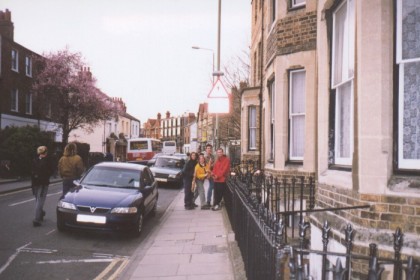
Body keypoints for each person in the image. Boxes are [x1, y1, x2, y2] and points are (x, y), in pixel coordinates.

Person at [31, 146, 53, 227]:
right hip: (43, 183)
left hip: (35, 183)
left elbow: (32, 171)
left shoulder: (35, 160)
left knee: (38, 199)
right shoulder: (48, 161)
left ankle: (40, 213)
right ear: (46, 152)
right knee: (40, 201)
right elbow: (51, 171)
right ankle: (36, 219)